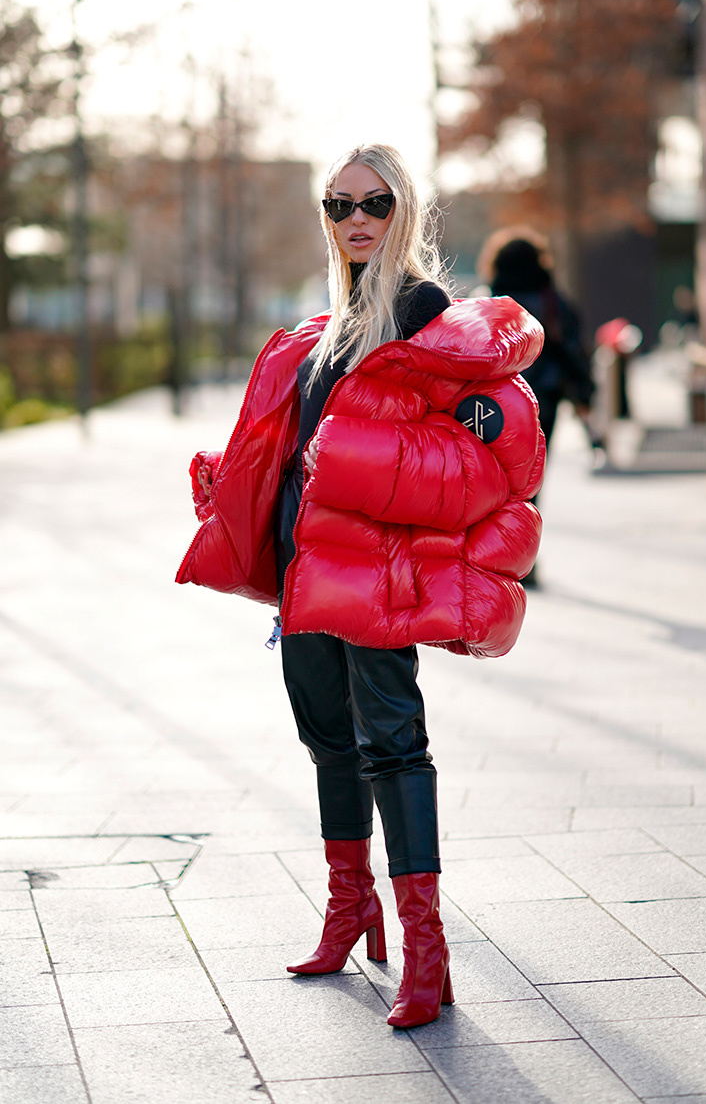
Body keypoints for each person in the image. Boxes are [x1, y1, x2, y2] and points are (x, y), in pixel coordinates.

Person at [177, 145, 545, 1028]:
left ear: (403, 209)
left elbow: (480, 454)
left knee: (394, 745)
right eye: (338, 204)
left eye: (374, 203)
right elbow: (302, 438)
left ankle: (427, 951)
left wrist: (355, 463)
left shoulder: (425, 315)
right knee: (327, 743)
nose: (355, 219)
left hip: (378, 574)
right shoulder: (334, 320)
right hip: (303, 568)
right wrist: (239, 478)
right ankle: (350, 910)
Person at [477, 227, 595, 586]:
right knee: (531, 484)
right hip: (543, 404)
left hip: (496, 406)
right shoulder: (552, 299)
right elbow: (572, 349)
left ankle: (492, 557)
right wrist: (584, 395)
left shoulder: (491, 300)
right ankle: (523, 560)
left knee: (495, 483)